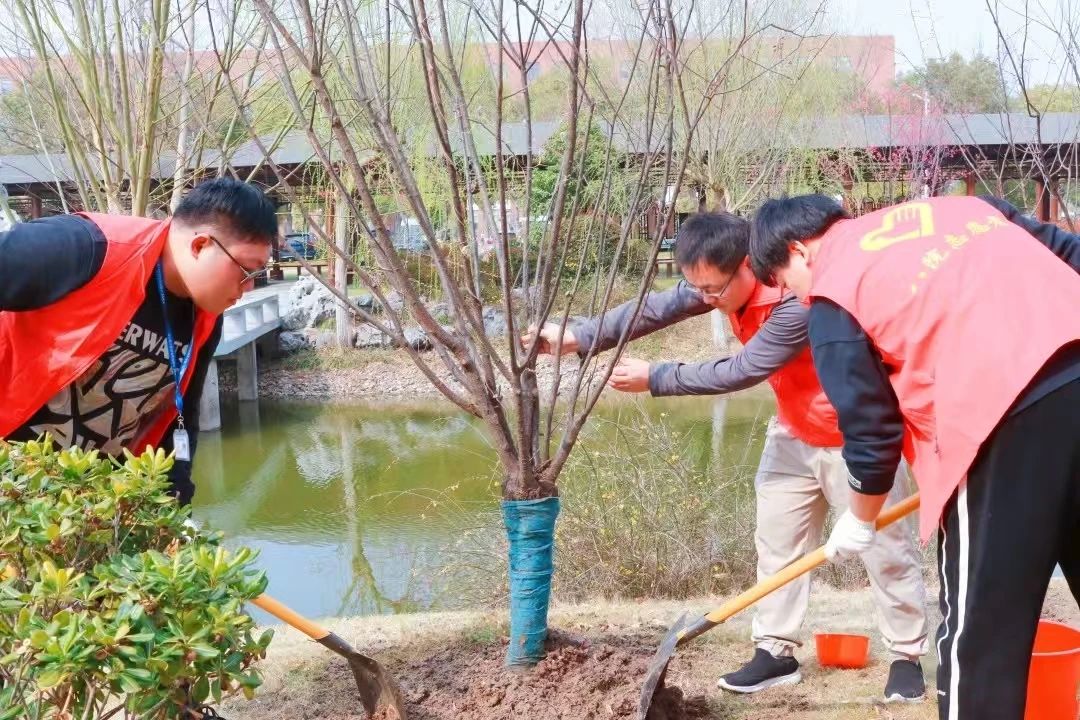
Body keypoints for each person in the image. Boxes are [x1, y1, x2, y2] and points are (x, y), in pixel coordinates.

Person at [524, 212, 930, 701]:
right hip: (792, 431)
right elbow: (655, 308)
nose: (706, 299)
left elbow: (744, 368)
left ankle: (906, 657)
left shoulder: (794, 300)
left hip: (856, 439)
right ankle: (775, 652)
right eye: (698, 289)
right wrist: (580, 335)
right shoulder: (715, 283)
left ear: (747, 267)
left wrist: (657, 377)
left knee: (885, 551)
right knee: (777, 546)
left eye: (714, 289)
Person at [748, 193, 1080, 720]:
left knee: (980, 636)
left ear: (799, 251)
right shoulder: (965, 207)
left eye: (785, 283)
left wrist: (860, 519)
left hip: (997, 416)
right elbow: (1068, 252)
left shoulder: (836, 294)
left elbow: (871, 433)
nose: (796, 296)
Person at [0, 178, 278, 506]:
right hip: (14, 481)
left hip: (86, 503)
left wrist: (173, 504)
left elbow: (181, 416)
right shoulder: (88, 247)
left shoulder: (205, 317)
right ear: (200, 245)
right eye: (246, 271)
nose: (249, 288)